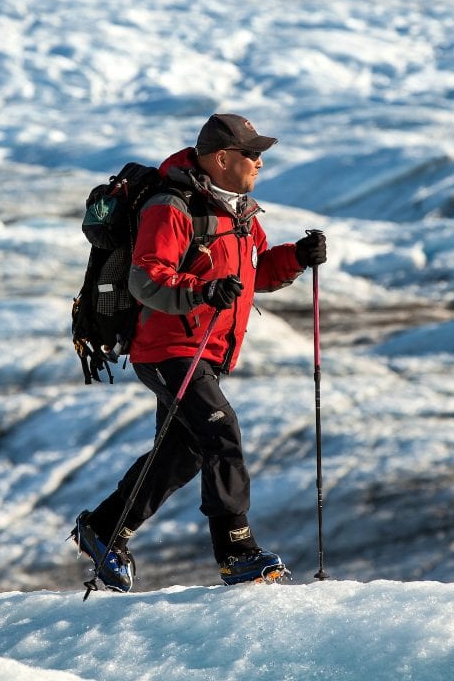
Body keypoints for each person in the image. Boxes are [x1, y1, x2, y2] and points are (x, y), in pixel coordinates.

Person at [73, 113, 327, 589]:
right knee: (220, 433)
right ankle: (236, 549)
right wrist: (202, 292)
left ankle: (105, 529)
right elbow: (148, 277)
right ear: (222, 158)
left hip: (204, 351)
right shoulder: (172, 206)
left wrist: (296, 257)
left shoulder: (241, 211)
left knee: (182, 453)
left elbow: (254, 276)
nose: (260, 163)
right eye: (252, 154)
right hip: (168, 348)